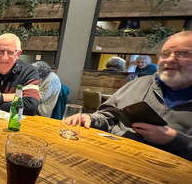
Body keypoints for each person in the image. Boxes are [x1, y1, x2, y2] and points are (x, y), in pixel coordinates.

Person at [68, 31, 192, 161]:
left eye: (182, 53)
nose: (170, 59)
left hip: (164, 169)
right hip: (109, 156)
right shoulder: (138, 84)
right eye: (165, 54)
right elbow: (108, 116)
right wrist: (91, 118)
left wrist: (174, 139)